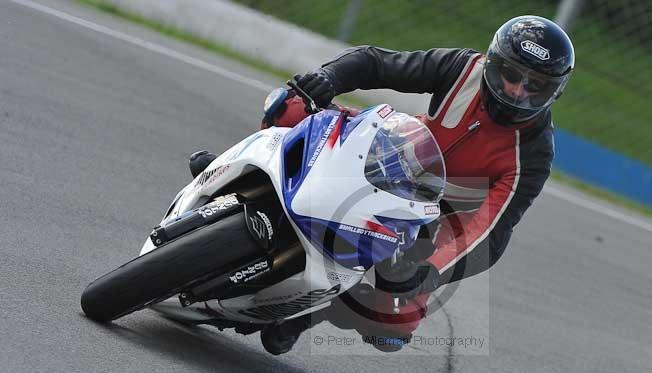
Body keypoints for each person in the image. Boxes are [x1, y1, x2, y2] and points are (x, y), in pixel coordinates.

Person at [196, 16, 575, 354]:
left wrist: (430, 269)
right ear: (493, 64)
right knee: (293, 105)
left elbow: (488, 229)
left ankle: (304, 316)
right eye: (511, 74)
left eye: (535, 86)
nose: (517, 91)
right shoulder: (463, 68)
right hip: (401, 155)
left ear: (553, 92)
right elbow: (377, 63)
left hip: (445, 219)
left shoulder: (535, 154)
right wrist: (330, 78)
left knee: (393, 321)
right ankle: (232, 174)